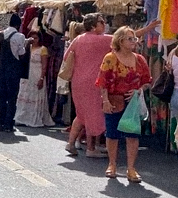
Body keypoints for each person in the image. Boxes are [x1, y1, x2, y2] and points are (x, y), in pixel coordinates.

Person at [63, 15, 157, 157]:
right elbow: (127, 37)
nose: (104, 24)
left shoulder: (79, 39)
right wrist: (149, 28)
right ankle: (91, 148)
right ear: (94, 26)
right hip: (93, 81)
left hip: (77, 81)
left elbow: (66, 57)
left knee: (82, 113)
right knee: (94, 113)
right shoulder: (102, 39)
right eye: (102, 22)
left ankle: (71, 143)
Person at [96, 26, 152, 183]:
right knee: (112, 134)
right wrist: (105, 100)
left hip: (132, 102)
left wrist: (139, 90)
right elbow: (102, 82)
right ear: (120, 40)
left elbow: (147, 81)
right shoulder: (110, 58)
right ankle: (112, 164)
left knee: (132, 135)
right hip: (114, 101)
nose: (134, 41)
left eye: (134, 38)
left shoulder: (140, 59)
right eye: (130, 38)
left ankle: (131, 168)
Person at [14, 31, 55, 128]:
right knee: (24, 94)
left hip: (37, 74)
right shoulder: (27, 49)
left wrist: (41, 78)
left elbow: (44, 66)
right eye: (32, 38)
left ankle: (33, 117)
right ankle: (21, 117)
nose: (34, 40)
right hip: (26, 74)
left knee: (35, 94)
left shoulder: (43, 49)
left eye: (36, 38)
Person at [0, 13, 27, 133]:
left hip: (1, 68)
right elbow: (21, 53)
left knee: (1, 95)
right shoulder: (20, 36)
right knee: (12, 96)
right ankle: (9, 123)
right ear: (19, 24)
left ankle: (0, 122)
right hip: (13, 69)